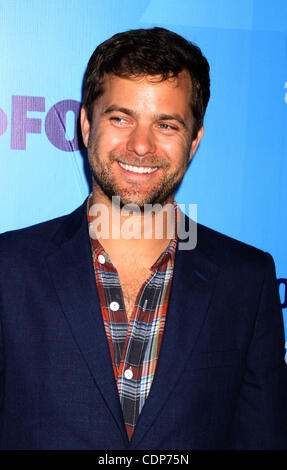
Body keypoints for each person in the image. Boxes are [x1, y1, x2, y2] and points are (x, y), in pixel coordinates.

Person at [0, 27, 286, 450]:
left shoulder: (247, 279)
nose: (140, 145)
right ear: (84, 124)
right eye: (121, 118)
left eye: (166, 124)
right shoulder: (9, 268)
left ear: (194, 142)